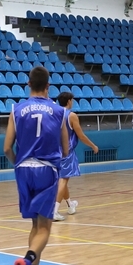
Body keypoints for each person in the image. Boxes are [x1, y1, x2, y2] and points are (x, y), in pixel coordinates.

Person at [3, 65, 68, 265]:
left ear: (28, 84)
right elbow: (66, 149)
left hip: (23, 168)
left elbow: (7, 147)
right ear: (48, 87)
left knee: (34, 225)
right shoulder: (59, 111)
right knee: (44, 227)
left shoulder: (16, 109)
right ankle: (28, 260)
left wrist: (18, 164)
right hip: (46, 169)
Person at [54, 91, 98, 221]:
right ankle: (54, 211)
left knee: (62, 179)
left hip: (53, 151)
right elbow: (81, 135)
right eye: (72, 100)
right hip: (65, 151)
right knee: (63, 180)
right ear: (68, 101)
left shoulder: (54, 114)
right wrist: (93, 145)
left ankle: (70, 204)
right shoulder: (71, 115)